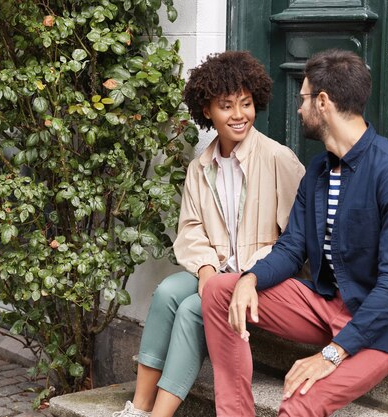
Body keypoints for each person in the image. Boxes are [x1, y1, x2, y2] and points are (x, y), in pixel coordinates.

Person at [201, 48, 388, 417]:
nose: (298, 109)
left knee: (299, 403)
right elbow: (293, 246)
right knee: (219, 290)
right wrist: (251, 278)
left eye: (303, 98)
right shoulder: (319, 170)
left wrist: (332, 354)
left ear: (323, 102)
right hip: (328, 303)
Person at [112, 51, 305, 417]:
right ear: (207, 111)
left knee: (192, 309)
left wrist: (249, 273)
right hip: (216, 270)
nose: (239, 115)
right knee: (168, 291)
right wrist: (204, 269)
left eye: (246, 104)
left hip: (260, 278)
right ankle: (138, 407)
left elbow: (296, 238)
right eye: (226, 105)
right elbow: (190, 228)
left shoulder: (278, 159)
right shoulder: (201, 167)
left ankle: (160, 414)